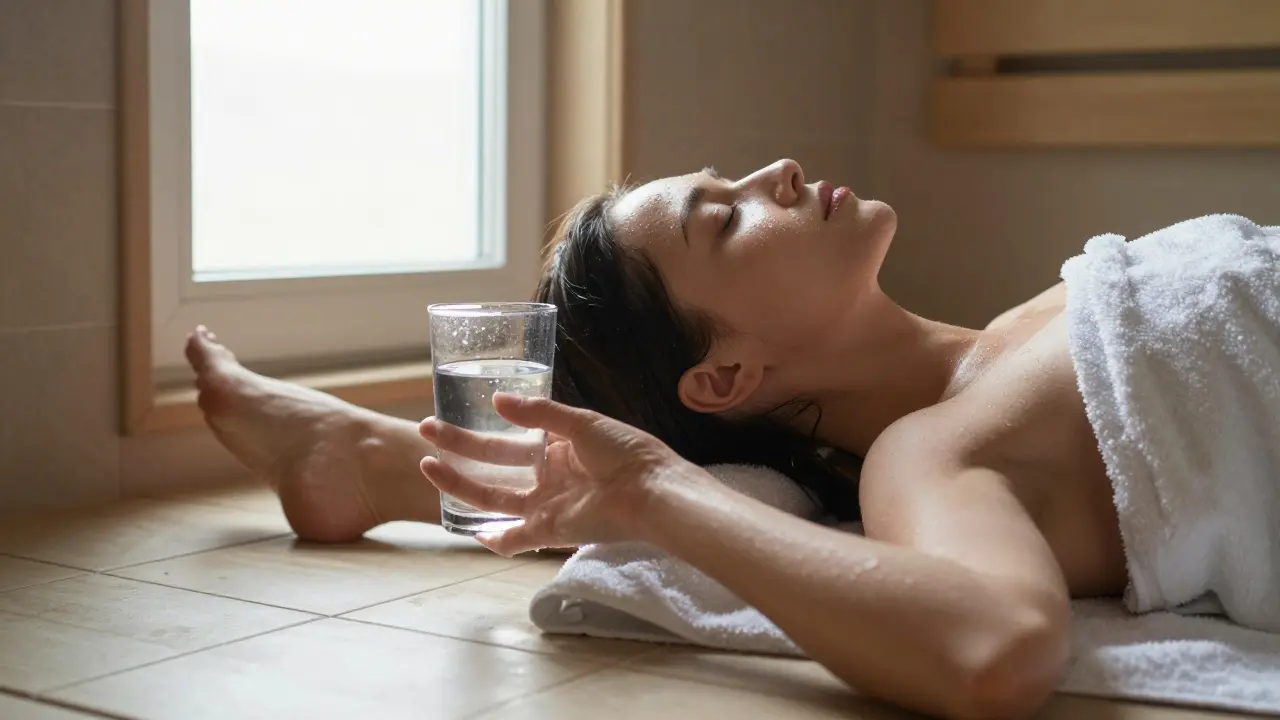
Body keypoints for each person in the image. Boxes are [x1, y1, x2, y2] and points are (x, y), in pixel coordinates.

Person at [184, 158, 1279, 719]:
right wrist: (653, 488)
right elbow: (991, 648)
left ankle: (373, 463)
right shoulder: (930, 456)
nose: (778, 174)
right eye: (726, 215)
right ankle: (379, 464)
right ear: (723, 376)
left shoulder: (1007, 337)